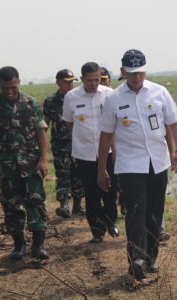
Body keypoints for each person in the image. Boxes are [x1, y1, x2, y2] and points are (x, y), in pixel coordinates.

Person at [97, 49, 177, 284]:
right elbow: (105, 136)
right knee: (136, 209)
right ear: (122, 72)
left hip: (157, 162)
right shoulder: (113, 99)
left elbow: (174, 123)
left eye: (140, 73)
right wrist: (102, 169)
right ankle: (136, 257)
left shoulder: (159, 92)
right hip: (129, 164)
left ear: (145, 70)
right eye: (131, 74)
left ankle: (151, 256)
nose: (136, 78)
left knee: (154, 211)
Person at [0, 66, 50, 260]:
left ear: (19, 82)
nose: (10, 92)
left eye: (13, 87)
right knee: (11, 205)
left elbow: (40, 133)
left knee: (36, 201)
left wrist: (44, 159)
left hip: (31, 164)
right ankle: (19, 245)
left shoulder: (31, 103)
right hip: (7, 166)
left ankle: (38, 245)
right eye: (5, 88)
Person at [62, 62, 118, 243]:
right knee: (91, 191)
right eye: (89, 80)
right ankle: (96, 229)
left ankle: (111, 222)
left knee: (109, 189)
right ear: (82, 79)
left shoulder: (109, 94)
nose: (94, 84)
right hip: (84, 153)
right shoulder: (71, 97)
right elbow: (69, 123)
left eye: (97, 80)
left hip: (108, 151)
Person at [43, 69, 85, 218]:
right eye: (66, 82)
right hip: (60, 145)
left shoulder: (78, 98)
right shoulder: (50, 102)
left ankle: (78, 206)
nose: (69, 85)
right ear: (58, 82)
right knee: (63, 175)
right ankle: (64, 205)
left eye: (71, 82)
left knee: (79, 174)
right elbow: (45, 124)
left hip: (79, 143)